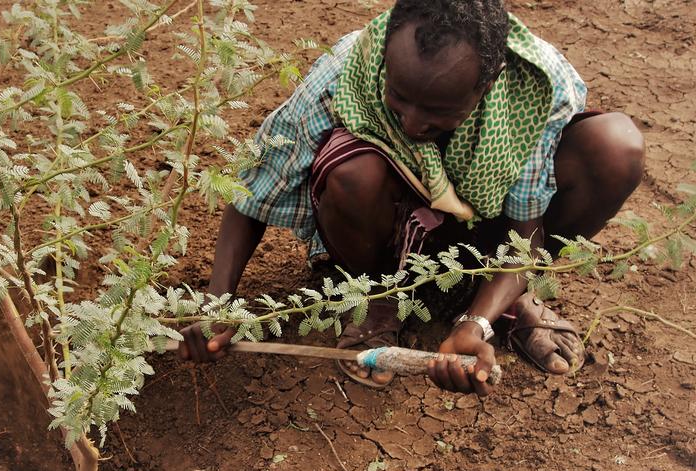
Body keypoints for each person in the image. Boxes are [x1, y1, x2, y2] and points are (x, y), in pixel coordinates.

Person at [177, 0, 645, 396]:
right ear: (386, 57)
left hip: (490, 234)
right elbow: (255, 188)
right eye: (399, 97)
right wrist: (219, 304)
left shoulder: (536, 86)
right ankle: (376, 296)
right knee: (353, 173)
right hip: (385, 229)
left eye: (440, 110)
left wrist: (476, 324)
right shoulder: (350, 65)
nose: (413, 124)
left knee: (614, 147)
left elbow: (527, 228)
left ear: (486, 85)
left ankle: (499, 300)